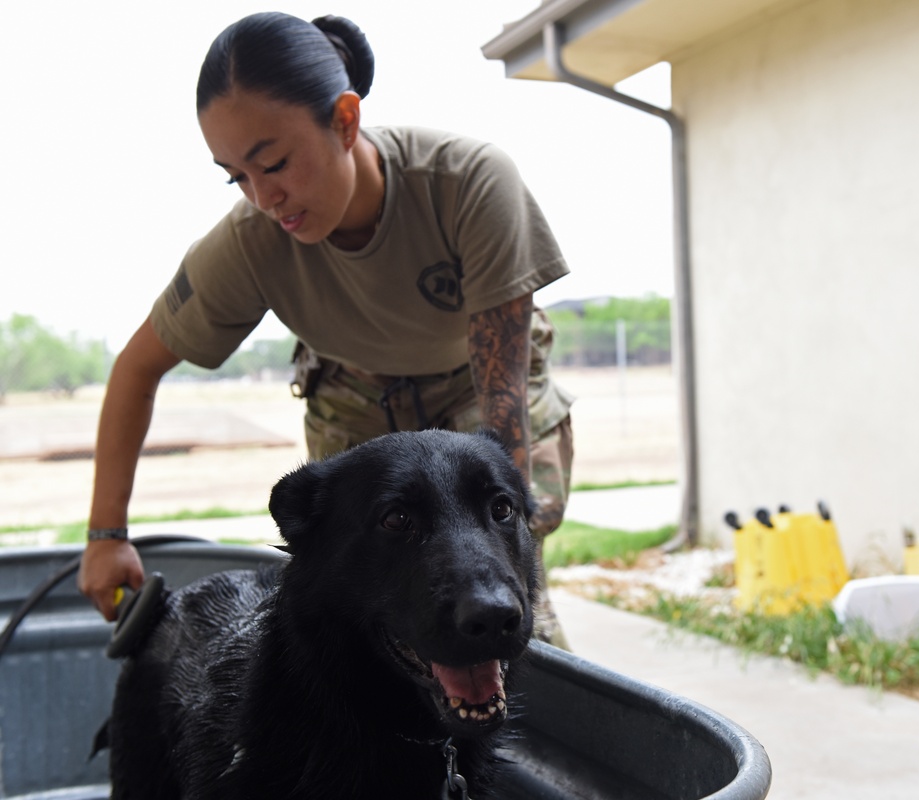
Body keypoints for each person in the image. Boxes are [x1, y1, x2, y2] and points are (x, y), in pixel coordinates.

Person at [78, 11, 575, 647]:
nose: (263, 197)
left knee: (501, 618)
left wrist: (505, 591)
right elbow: (136, 369)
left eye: (276, 163)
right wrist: (106, 537)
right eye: (238, 176)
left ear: (345, 120)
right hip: (355, 399)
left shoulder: (467, 183)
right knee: (356, 621)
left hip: (478, 393)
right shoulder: (250, 241)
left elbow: (500, 424)